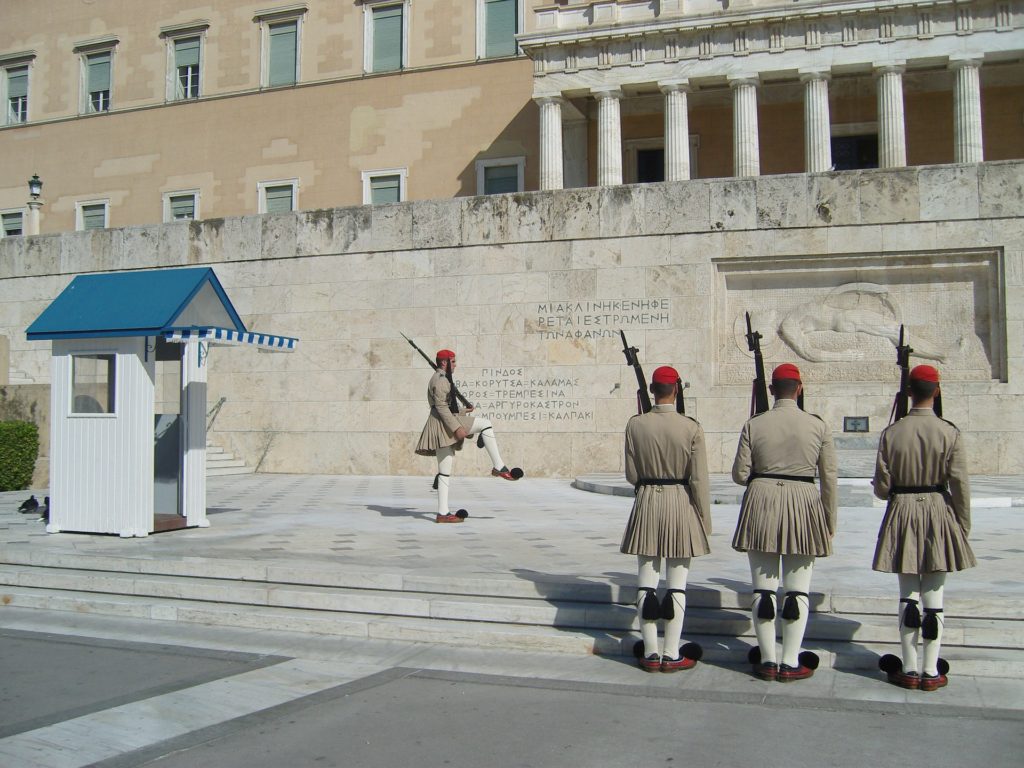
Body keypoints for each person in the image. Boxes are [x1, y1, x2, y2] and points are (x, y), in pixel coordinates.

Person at [872, 364, 975, 692]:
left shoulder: (892, 433)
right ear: (937, 391)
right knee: (935, 596)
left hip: (902, 510)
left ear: (908, 394)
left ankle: (909, 666)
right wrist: (963, 525)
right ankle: (931, 669)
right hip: (937, 511)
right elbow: (960, 484)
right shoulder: (950, 432)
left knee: (908, 597)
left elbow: (882, 488)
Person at [731, 363, 837, 682]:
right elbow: (829, 478)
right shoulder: (817, 426)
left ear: (772, 390)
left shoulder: (755, 424)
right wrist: (828, 521)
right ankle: (790, 661)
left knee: (763, 589)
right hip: (804, 503)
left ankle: (766, 659)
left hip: (762, 501)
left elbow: (739, 474)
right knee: (797, 592)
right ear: (800, 388)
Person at [621, 366, 711, 672]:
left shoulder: (635, 425)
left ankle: (649, 651)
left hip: (647, 500)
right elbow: (698, 480)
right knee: (677, 586)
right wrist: (704, 521)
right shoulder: (691, 427)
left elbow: (631, 474)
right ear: (676, 390)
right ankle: (671, 653)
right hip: (680, 503)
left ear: (652, 391)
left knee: (646, 584)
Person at [415, 349, 517, 523]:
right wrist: (457, 428)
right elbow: (441, 408)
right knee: (485, 424)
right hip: (444, 424)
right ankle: (499, 466)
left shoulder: (441, 379)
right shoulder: (439, 381)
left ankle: (443, 513)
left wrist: (463, 411)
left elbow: (445, 407)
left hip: (441, 423)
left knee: (444, 472)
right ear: (444, 363)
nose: (455, 365)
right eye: (453, 361)